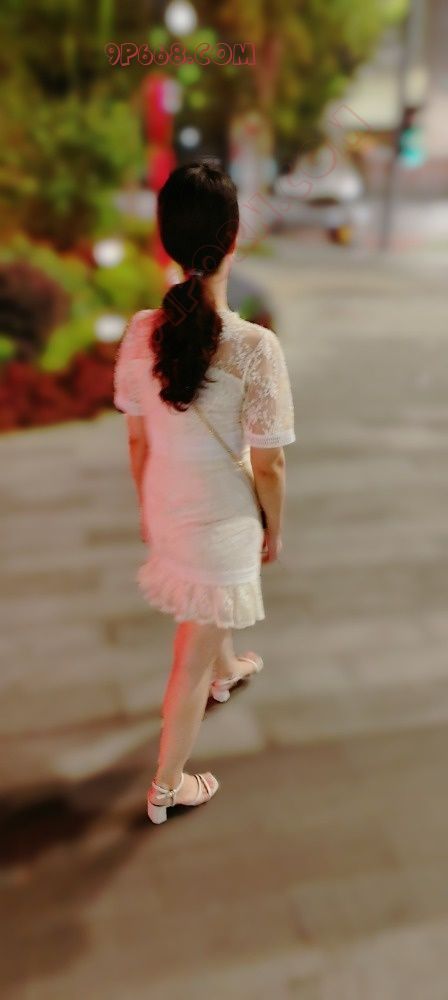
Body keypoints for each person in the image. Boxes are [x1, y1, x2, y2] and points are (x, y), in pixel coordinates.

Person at [114, 160, 295, 824]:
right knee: (186, 660)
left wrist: (147, 509)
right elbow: (269, 465)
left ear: (167, 238)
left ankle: (229, 669)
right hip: (219, 522)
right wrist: (274, 527)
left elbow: (138, 442)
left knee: (204, 614)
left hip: (166, 504)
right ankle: (167, 787)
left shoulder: (142, 332)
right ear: (233, 237)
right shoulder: (254, 347)